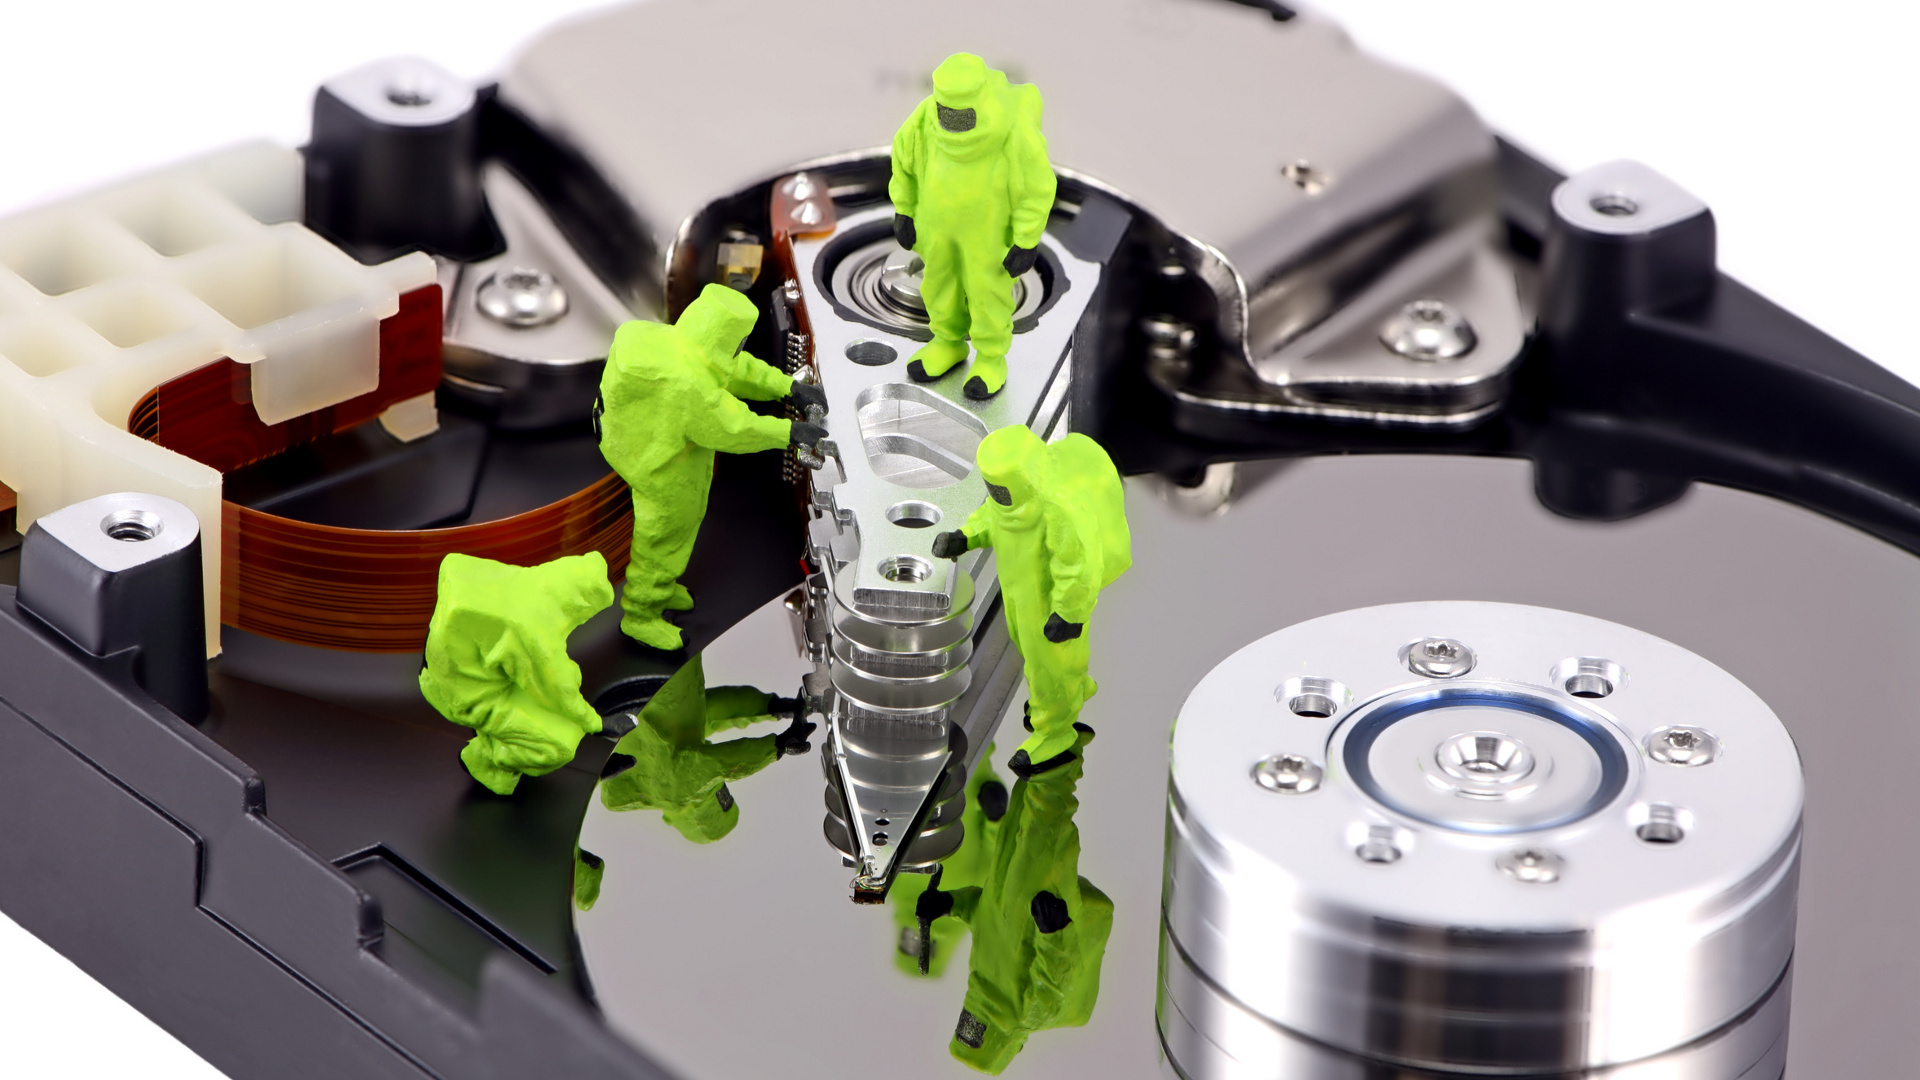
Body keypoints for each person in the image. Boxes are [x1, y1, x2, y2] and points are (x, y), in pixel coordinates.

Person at [597, 283, 826, 650]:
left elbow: (730, 369)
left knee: (675, 535)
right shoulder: (691, 386)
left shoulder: (672, 340)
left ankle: (660, 588)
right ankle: (640, 613)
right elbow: (734, 428)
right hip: (661, 469)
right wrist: (790, 432)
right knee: (664, 538)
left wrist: (786, 387)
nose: (739, 349)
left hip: (653, 444)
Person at [915, 725, 1111, 1074]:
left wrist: (949, 904)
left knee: (1019, 816)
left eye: (964, 1030)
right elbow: (1057, 979)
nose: (970, 1026)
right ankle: (1063, 752)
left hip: (1003, 887)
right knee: (1043, 830)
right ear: (998, 1044)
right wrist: (1055, 931)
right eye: (975, 1035)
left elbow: (983, 917)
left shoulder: (978, 975)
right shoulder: (1028, 1014)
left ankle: (1047, 743)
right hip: (1038, 910)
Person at [932, 425, 1129, 772]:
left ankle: (1055, 732)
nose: (996, 493)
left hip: (1050, 604)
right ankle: (1073, 688)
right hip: (1020, 594)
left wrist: (1068, 614)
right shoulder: (1013, 498)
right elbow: (994, 515)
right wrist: (966, 536)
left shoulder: (1057, 507)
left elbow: (1078, 565)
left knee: (1048, 665)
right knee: (1033, 652)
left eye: (999, 488)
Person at [889, 52, 1056, 401]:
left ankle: (991, 359)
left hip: (988, 236)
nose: (952, 122)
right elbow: (904, 159)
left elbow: (1036, 187)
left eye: (961, 114)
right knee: (939, 284)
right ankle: (947, 342)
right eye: (947, 111)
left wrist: (1026, 240)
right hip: (936, 229)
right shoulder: (925, 118)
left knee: (988, 293)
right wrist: (904, 210)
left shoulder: (1012, 131)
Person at [419, 551, 613, 795]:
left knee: (565, 679)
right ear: (580, 602)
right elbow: (559, 691)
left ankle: (496, 730)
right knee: (561, 743)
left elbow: (451, 564)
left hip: (456, 665)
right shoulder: (533, 632)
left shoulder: (525, 581)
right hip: (469, 697)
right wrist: (596, 723)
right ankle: (484, 760)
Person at [599, 654, 814, 843]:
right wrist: (773, 707)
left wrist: (778, 746)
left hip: (664, 680)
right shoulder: (639, 782)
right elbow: (713, 712)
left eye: (723, 799)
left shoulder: (679, 794)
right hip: (616, 686)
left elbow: (720, 762)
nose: (721, 790)